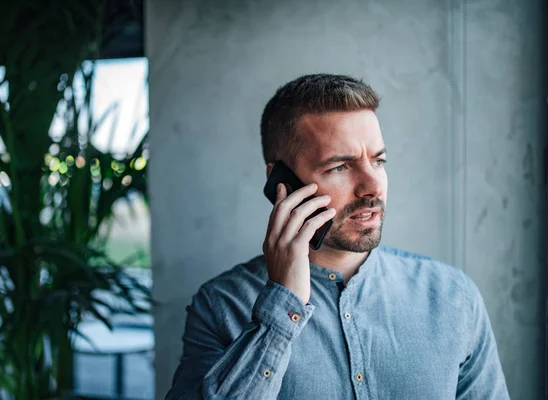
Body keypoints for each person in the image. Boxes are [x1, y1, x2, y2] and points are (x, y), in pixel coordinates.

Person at [165, 74, 510, 399]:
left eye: (379, 161)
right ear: (281, 182)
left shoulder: (453, 297)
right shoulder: (221, 305)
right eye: (340, 167)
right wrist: (283, 304)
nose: (372, 186)